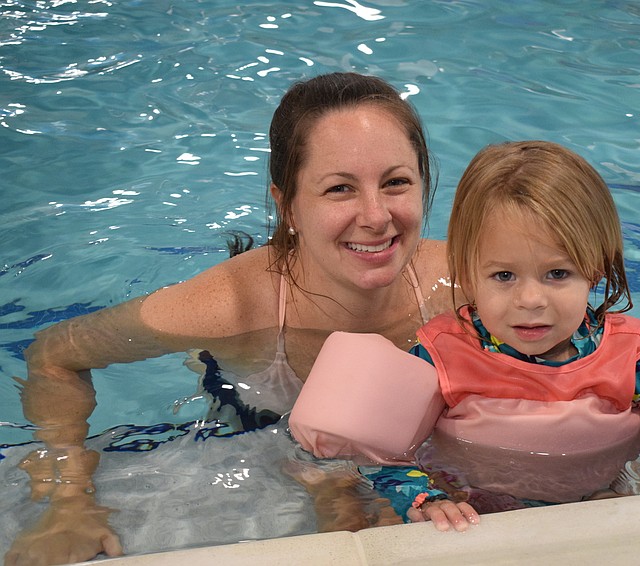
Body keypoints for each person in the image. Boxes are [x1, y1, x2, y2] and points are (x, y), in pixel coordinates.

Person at [6, 72, 456, 566]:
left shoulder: (467, 284)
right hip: (252, 433)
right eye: (339, 189)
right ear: (288, 206)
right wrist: (69, 502)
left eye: (395, 183)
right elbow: (53, 353)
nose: (375, 216)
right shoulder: (230, 308)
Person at [289, 141, 640, 530]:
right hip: (463, 498)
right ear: (466, 273)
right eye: (503, 276)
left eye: (557, 274)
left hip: (591, 496)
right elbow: (377, 449)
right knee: (347, 512)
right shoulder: (439, 357)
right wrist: (425, 500)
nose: (531, 301)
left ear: (594, 270)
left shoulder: (637, 358)